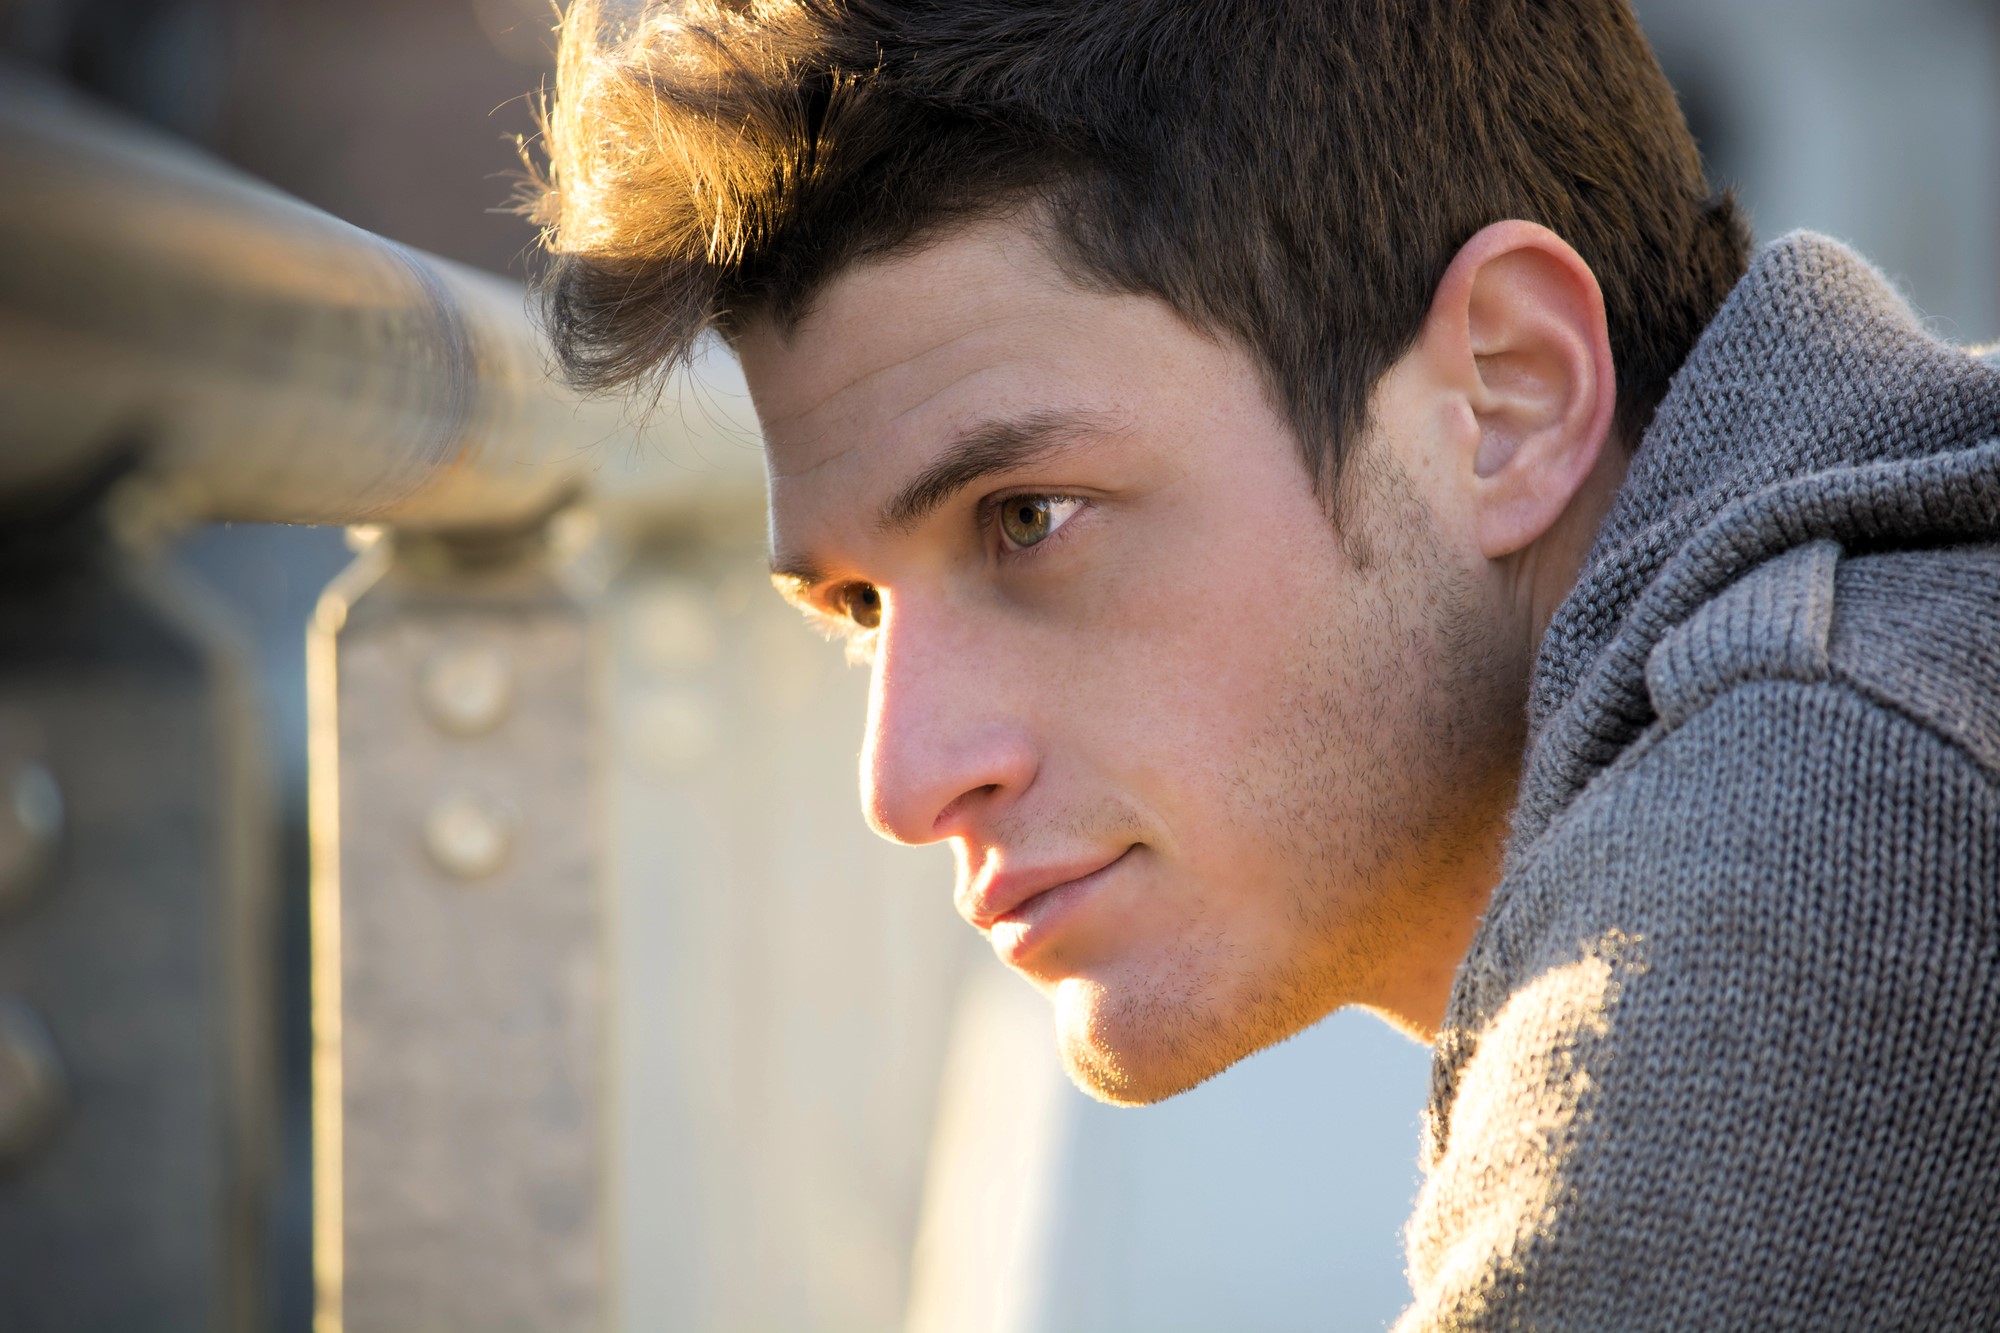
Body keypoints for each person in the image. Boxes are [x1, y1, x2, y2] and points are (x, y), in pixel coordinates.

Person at [524, 1, 2000, 1324]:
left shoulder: (1811, 866)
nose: (906, 780)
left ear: (1510, 393)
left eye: (1026, 519)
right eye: (856, 605)